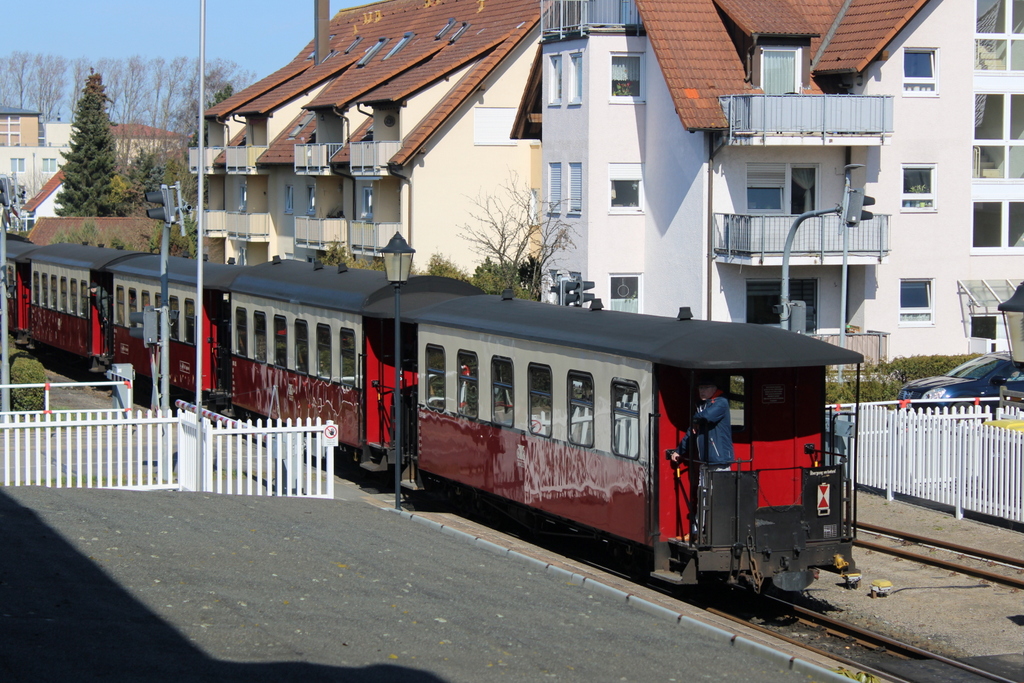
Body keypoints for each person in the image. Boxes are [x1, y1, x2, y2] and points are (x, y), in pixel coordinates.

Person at [669, 378, 734, 470]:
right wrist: (679, 451)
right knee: (703, 484)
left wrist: (695, 419)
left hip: (719, 459)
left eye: (706, 388)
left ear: (715, 388)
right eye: (700, 388)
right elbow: (692, 431)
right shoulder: (702, 406)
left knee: (718, 484)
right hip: (705, 459)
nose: (702, 391)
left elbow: (707, 416)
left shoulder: (721, 402)